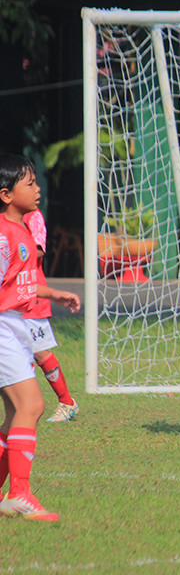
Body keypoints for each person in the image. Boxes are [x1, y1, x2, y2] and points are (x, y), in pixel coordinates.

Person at [0, 153, 80, 521]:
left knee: (17, 411)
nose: (36, 189)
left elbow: (22, 283)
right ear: (6, 194)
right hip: (3, 327)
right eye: (29, 183)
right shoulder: (4, 235)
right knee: (31, 406)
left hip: (14, 323)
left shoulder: (23, 230)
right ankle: (20, 494)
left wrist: (55, 294)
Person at [23, 209, 79, 422]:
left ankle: (66, 402)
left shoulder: (32, 215)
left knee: (38, 351)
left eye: (35, 183)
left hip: (30, 295)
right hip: (9, 296)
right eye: (29, 184)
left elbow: (38, 250)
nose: (36, 190)